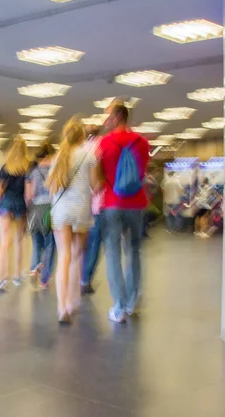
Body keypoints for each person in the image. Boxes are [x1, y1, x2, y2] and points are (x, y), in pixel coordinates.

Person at [99, 103, 150, 323]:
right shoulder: (142, 143)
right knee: (134, 251)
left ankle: (118, 307)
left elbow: (99, 176)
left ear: (118, 116)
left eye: (108, 115)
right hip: (136, 203)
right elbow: (142, 173)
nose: (105, 120)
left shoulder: (104, 143)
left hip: (112, 203)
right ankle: (132, 303)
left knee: (112, 253)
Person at [47, 118, 99, 323]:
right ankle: (73, 299)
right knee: (77, 256)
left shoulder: (59, 156)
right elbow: (95, 186)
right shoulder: (89, 156)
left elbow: (51, 188)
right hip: (81, 210)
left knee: (64, 257)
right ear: (83, 137)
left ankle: (62, 308)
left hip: (60, 212)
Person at [0, 137, 31, 291]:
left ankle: (1, 279)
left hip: (6, 204)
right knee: (19, 241)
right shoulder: (27, 167)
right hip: (20, 205)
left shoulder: (5, 167)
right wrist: (28, 210)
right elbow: (28, 194)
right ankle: (17, 275)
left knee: (4, 242)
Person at [27, 142, 56, 290]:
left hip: (35, 210)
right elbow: (54, 192)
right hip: (49, 210)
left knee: (36, 243)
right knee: (50, 244)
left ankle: (33, 269)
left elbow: (29, 195)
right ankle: (44, 279)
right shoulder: (54, 171)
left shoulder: (33, 172)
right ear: (49, 156)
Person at [81, 125, 103, 295]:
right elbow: (98, 183)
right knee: (94, 243)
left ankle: (77, 275)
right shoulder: (101, 147)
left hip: (79, 204)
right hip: (98, 204)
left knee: (80, 243)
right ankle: (85, 279)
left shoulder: (78, 148)